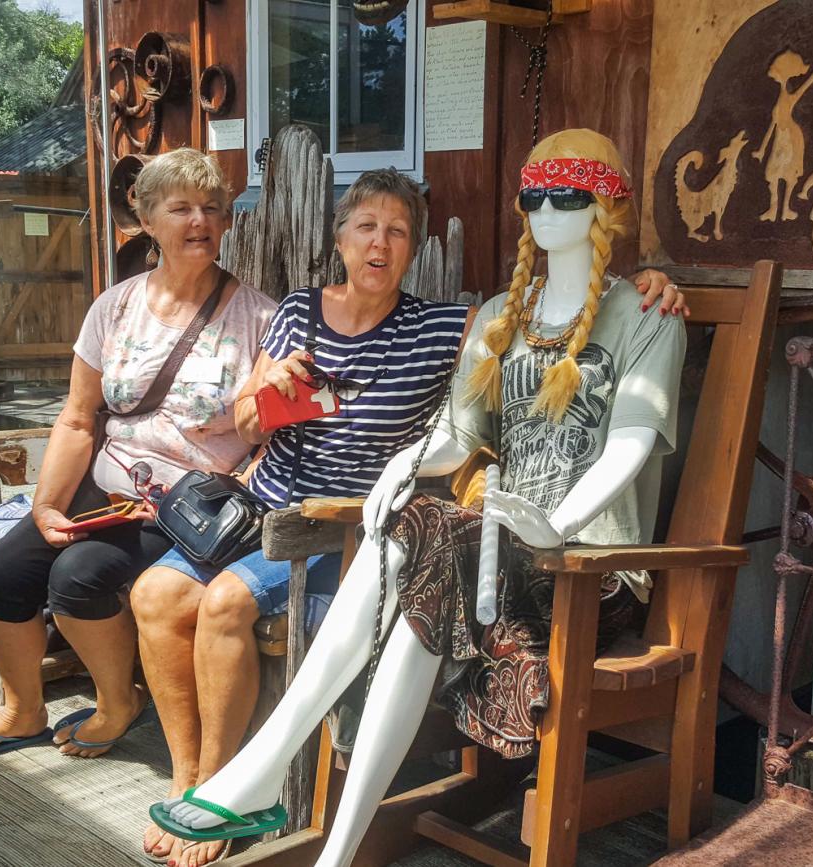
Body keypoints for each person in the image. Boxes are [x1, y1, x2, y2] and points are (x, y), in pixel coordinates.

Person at [149, 129, 686, 867]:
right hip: (488, 558)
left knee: (428, 532)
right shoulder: (501, 312)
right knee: (417, 570)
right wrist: (403, 464)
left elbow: (629, 442)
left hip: (591, 569)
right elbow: (457, 435)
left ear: (607, 211)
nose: (548, 210)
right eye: (535, 194)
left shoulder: (646, 315)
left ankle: (266, 772)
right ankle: (328, 848)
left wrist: (553, 524)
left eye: (571, 195)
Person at [0, 148, 277, 766]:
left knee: (80, 577)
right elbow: (77, 418)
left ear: (227, 221)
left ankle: (117, 704)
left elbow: (271, 434)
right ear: (147, 221)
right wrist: (46, 505)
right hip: (108, 484)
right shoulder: (113, 307)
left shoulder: (259, 319)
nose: (198, 221)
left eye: (211, 208)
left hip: (188, 505)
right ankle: (23, 709)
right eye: (180, 208)